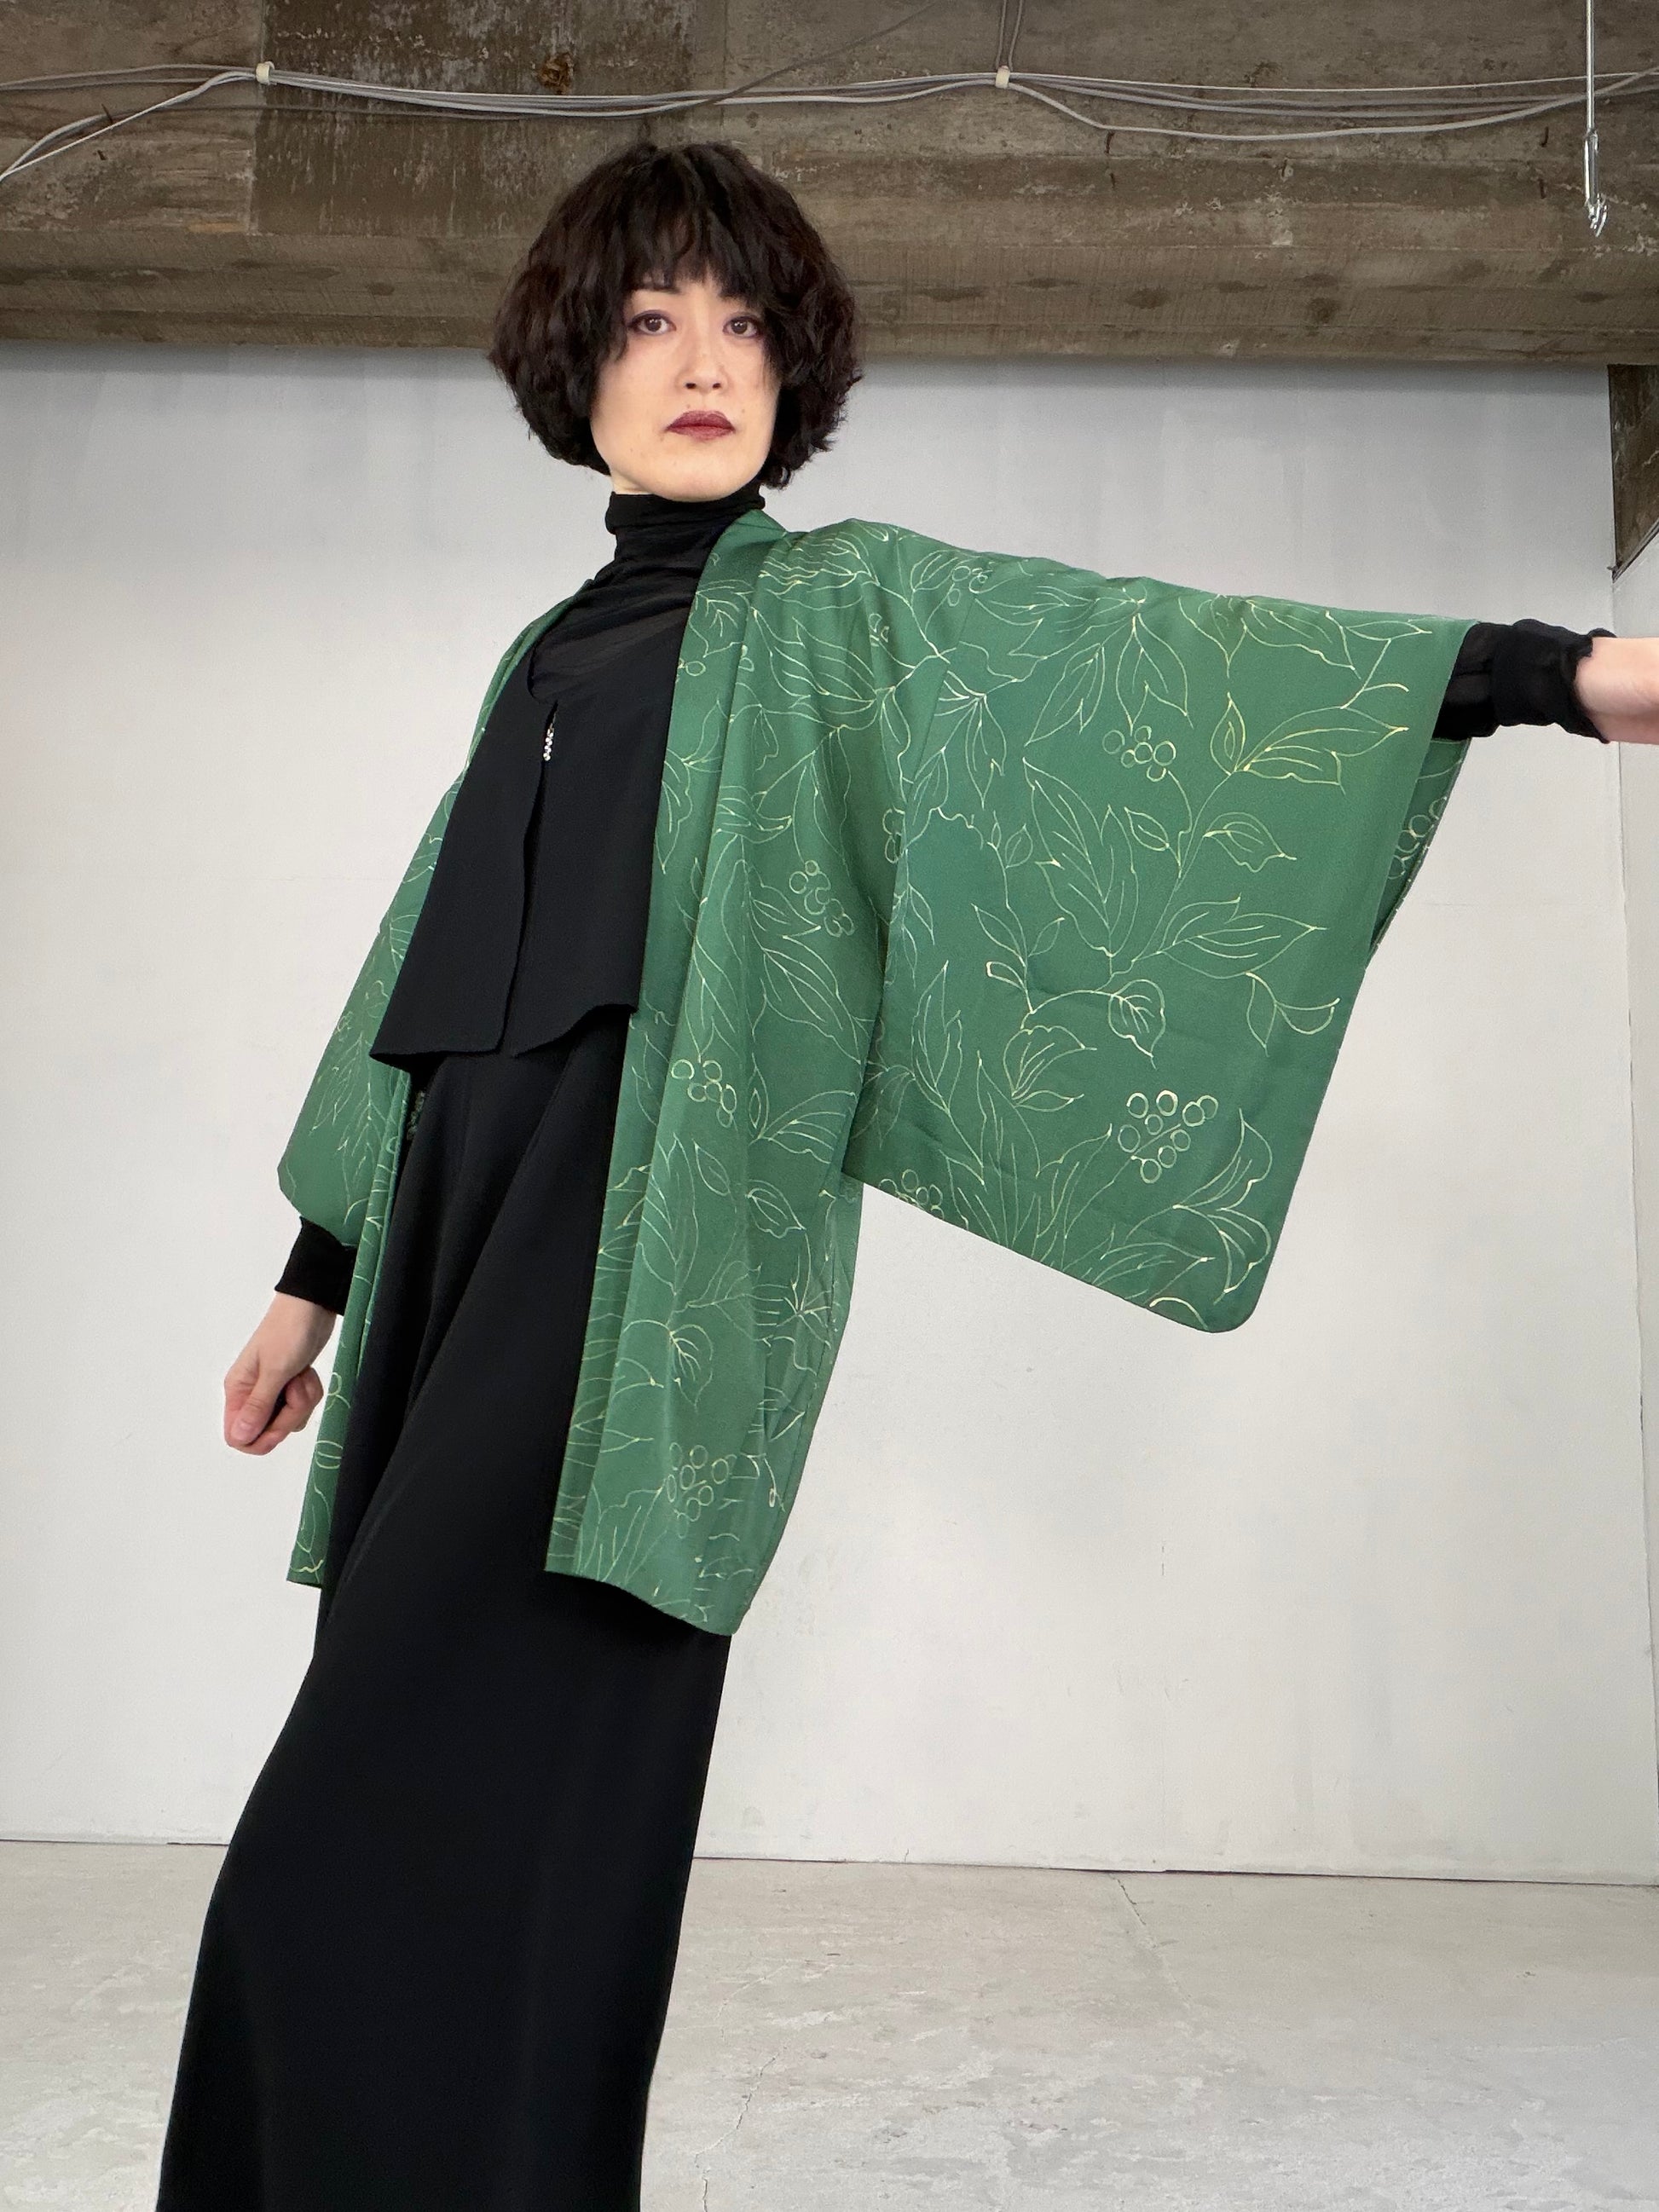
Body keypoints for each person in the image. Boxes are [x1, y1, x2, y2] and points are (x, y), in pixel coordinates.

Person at [155, 139, 1659, 2211]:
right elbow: (424, 971)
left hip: (639, 1265)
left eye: (743, 322)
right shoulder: (541, 657)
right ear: (573, 363)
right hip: (451, 1252)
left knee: (489, 1817)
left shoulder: (838, 608)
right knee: (395, 1812)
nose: (705, 362)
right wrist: (312, 1273)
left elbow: (1124, 663)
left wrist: (1542, 675)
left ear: (796, 368)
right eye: (652, 319)